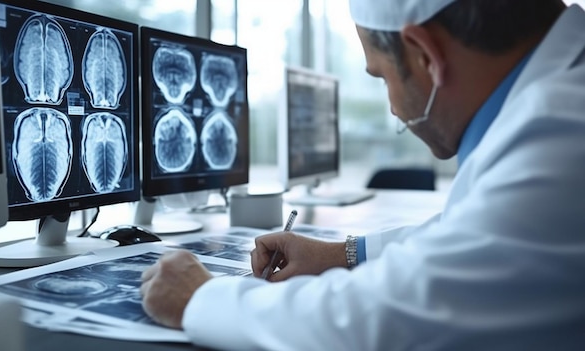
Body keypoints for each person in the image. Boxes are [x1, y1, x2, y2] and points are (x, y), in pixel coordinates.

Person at [140, 0, 585, 349]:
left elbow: (378, 322)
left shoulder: (560, 134)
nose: (393, 105)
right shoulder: (557, 105)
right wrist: (341, 255)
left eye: (383, 76)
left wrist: (200, 299)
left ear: (426, 54)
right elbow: (474, 234)